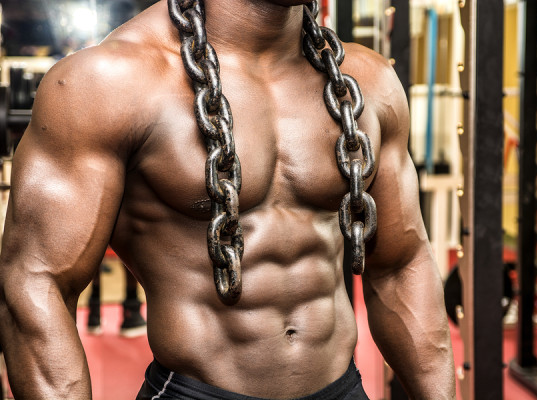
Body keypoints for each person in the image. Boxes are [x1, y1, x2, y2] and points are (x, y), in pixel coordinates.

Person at [0, 0, 456, 399]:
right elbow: (36, 283)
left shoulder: (368, 83)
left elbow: (401, 265)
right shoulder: (108, 82)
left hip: (342, 389)